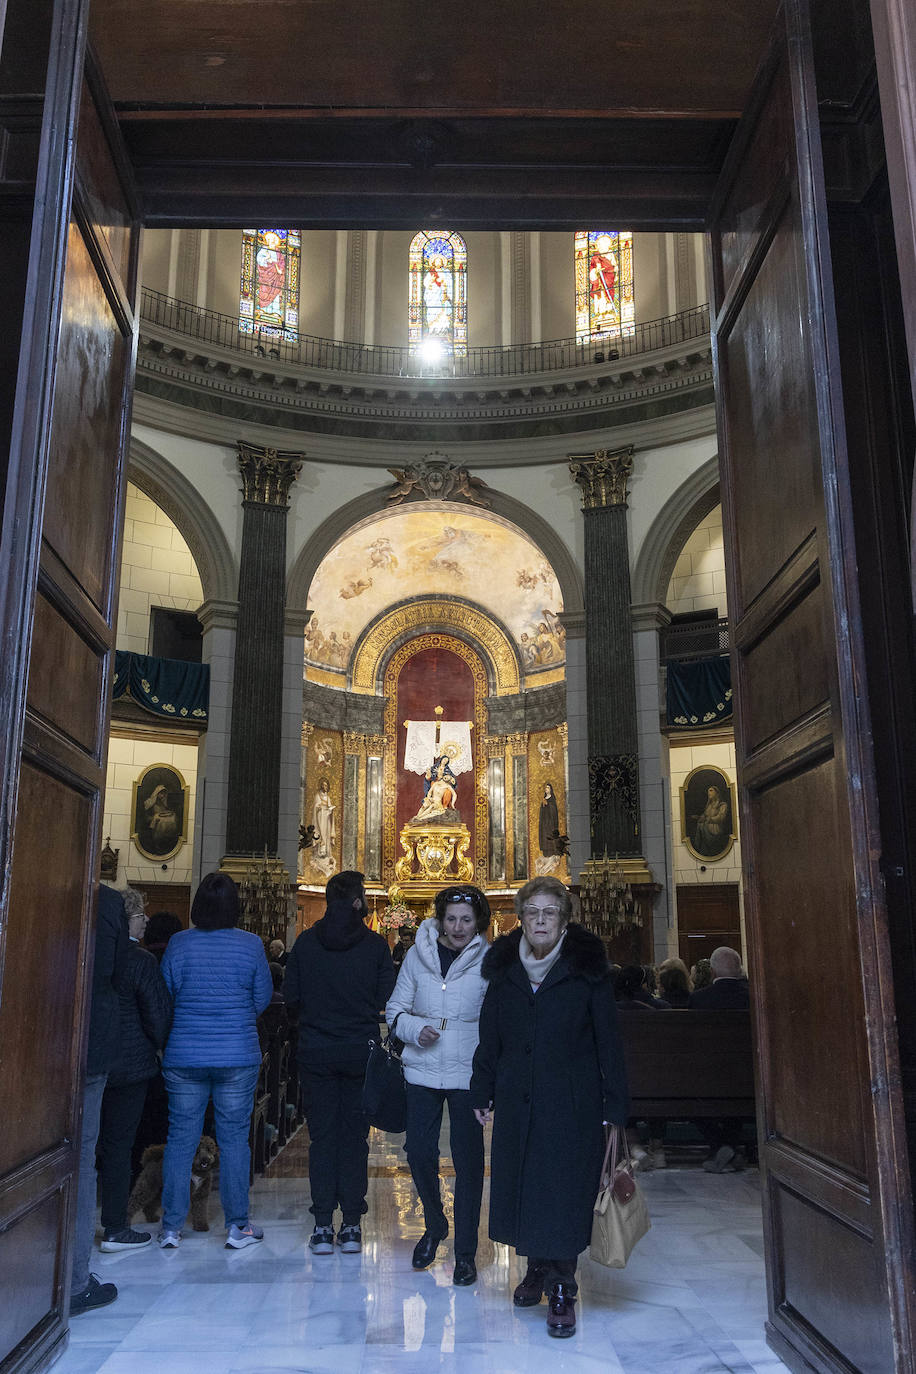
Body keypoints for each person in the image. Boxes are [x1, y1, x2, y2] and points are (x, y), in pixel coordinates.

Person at [470, 876, 628, 1338]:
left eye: (550, 912)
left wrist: (615, 1107)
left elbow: (608, 1043)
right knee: (526, 1187)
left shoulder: (587, 969)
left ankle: (562, 1287)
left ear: (564, 920)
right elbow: (491, 1037)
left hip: (571, 1103)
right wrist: (482, 1090)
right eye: (532, 912)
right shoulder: (503, 970)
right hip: (519, 1101)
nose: (541, 921)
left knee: (562, 1193)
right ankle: (537, 1268)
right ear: (520, 918)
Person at [283, 870, 395, 1255]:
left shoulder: (306, 943)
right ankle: (350, 1225)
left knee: (322, 1139)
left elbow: (291, 994)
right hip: (358, 1051)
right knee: (354, 1139)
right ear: (358, 902)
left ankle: (320, 1226)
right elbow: (385, 995)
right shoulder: (376, 946)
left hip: (316, 1051)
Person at [158, 872, 272, 1249]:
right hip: (236, 1054)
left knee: (180, 1140)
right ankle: (239, 1226)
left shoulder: (178, 943)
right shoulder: (252, 944)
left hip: (185, 1053)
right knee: (235, 1139)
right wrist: (235, 1017)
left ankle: (171, 1228)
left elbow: (167, 995)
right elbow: (262, 998)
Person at [386, 884, 490, 1286]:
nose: (459, 927)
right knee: (417, 1151)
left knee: (468, 1163)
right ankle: (434, 1224)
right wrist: (414, 1029)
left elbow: (495, 1019)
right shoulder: (418, 954)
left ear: (477, 921)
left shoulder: (489, 959)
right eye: (452, 919)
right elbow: (396, 1009)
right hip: (423, 1069)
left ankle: (465, 1253)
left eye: (466, 919)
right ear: (440, 919)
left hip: (468, 1073)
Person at [97, 889, 173, 1253]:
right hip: (130, 1066)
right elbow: (158, 1014)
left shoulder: (92, 951)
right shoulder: (139, 960)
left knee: (85, 1144)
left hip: (91, 1062)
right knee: (119, 1146)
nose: (146, 920)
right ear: (126, 919)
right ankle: (115, 1225)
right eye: (141, 914)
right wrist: (159, 1047)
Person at [70, 885, 129, 1315]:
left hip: (32, 1043)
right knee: (81, 1157)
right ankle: (72, 1281)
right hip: (91, 1044)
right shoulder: (106, 903)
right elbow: (116, 974)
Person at [689, 947, 751, 1172]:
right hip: (749, 1075)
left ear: (713, 971)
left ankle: (720, 1146)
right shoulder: (752, 995)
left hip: (708, 1077)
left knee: (689, 1098)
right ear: (739, 969)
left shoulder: (698, 999)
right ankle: (728, 1148)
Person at [538, 784, 560, 858]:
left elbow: (554, 811)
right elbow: (542, 811)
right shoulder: (544, 798)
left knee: (550, 837)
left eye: (548, 787)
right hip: (544, 823)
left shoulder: (552, 799)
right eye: (545, 788)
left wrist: (548, 805)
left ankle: (552, 852)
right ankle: (545, 852)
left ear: (551, 789)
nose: (546, 789)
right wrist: (543, 806)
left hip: (551, 823)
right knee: (544, 837)